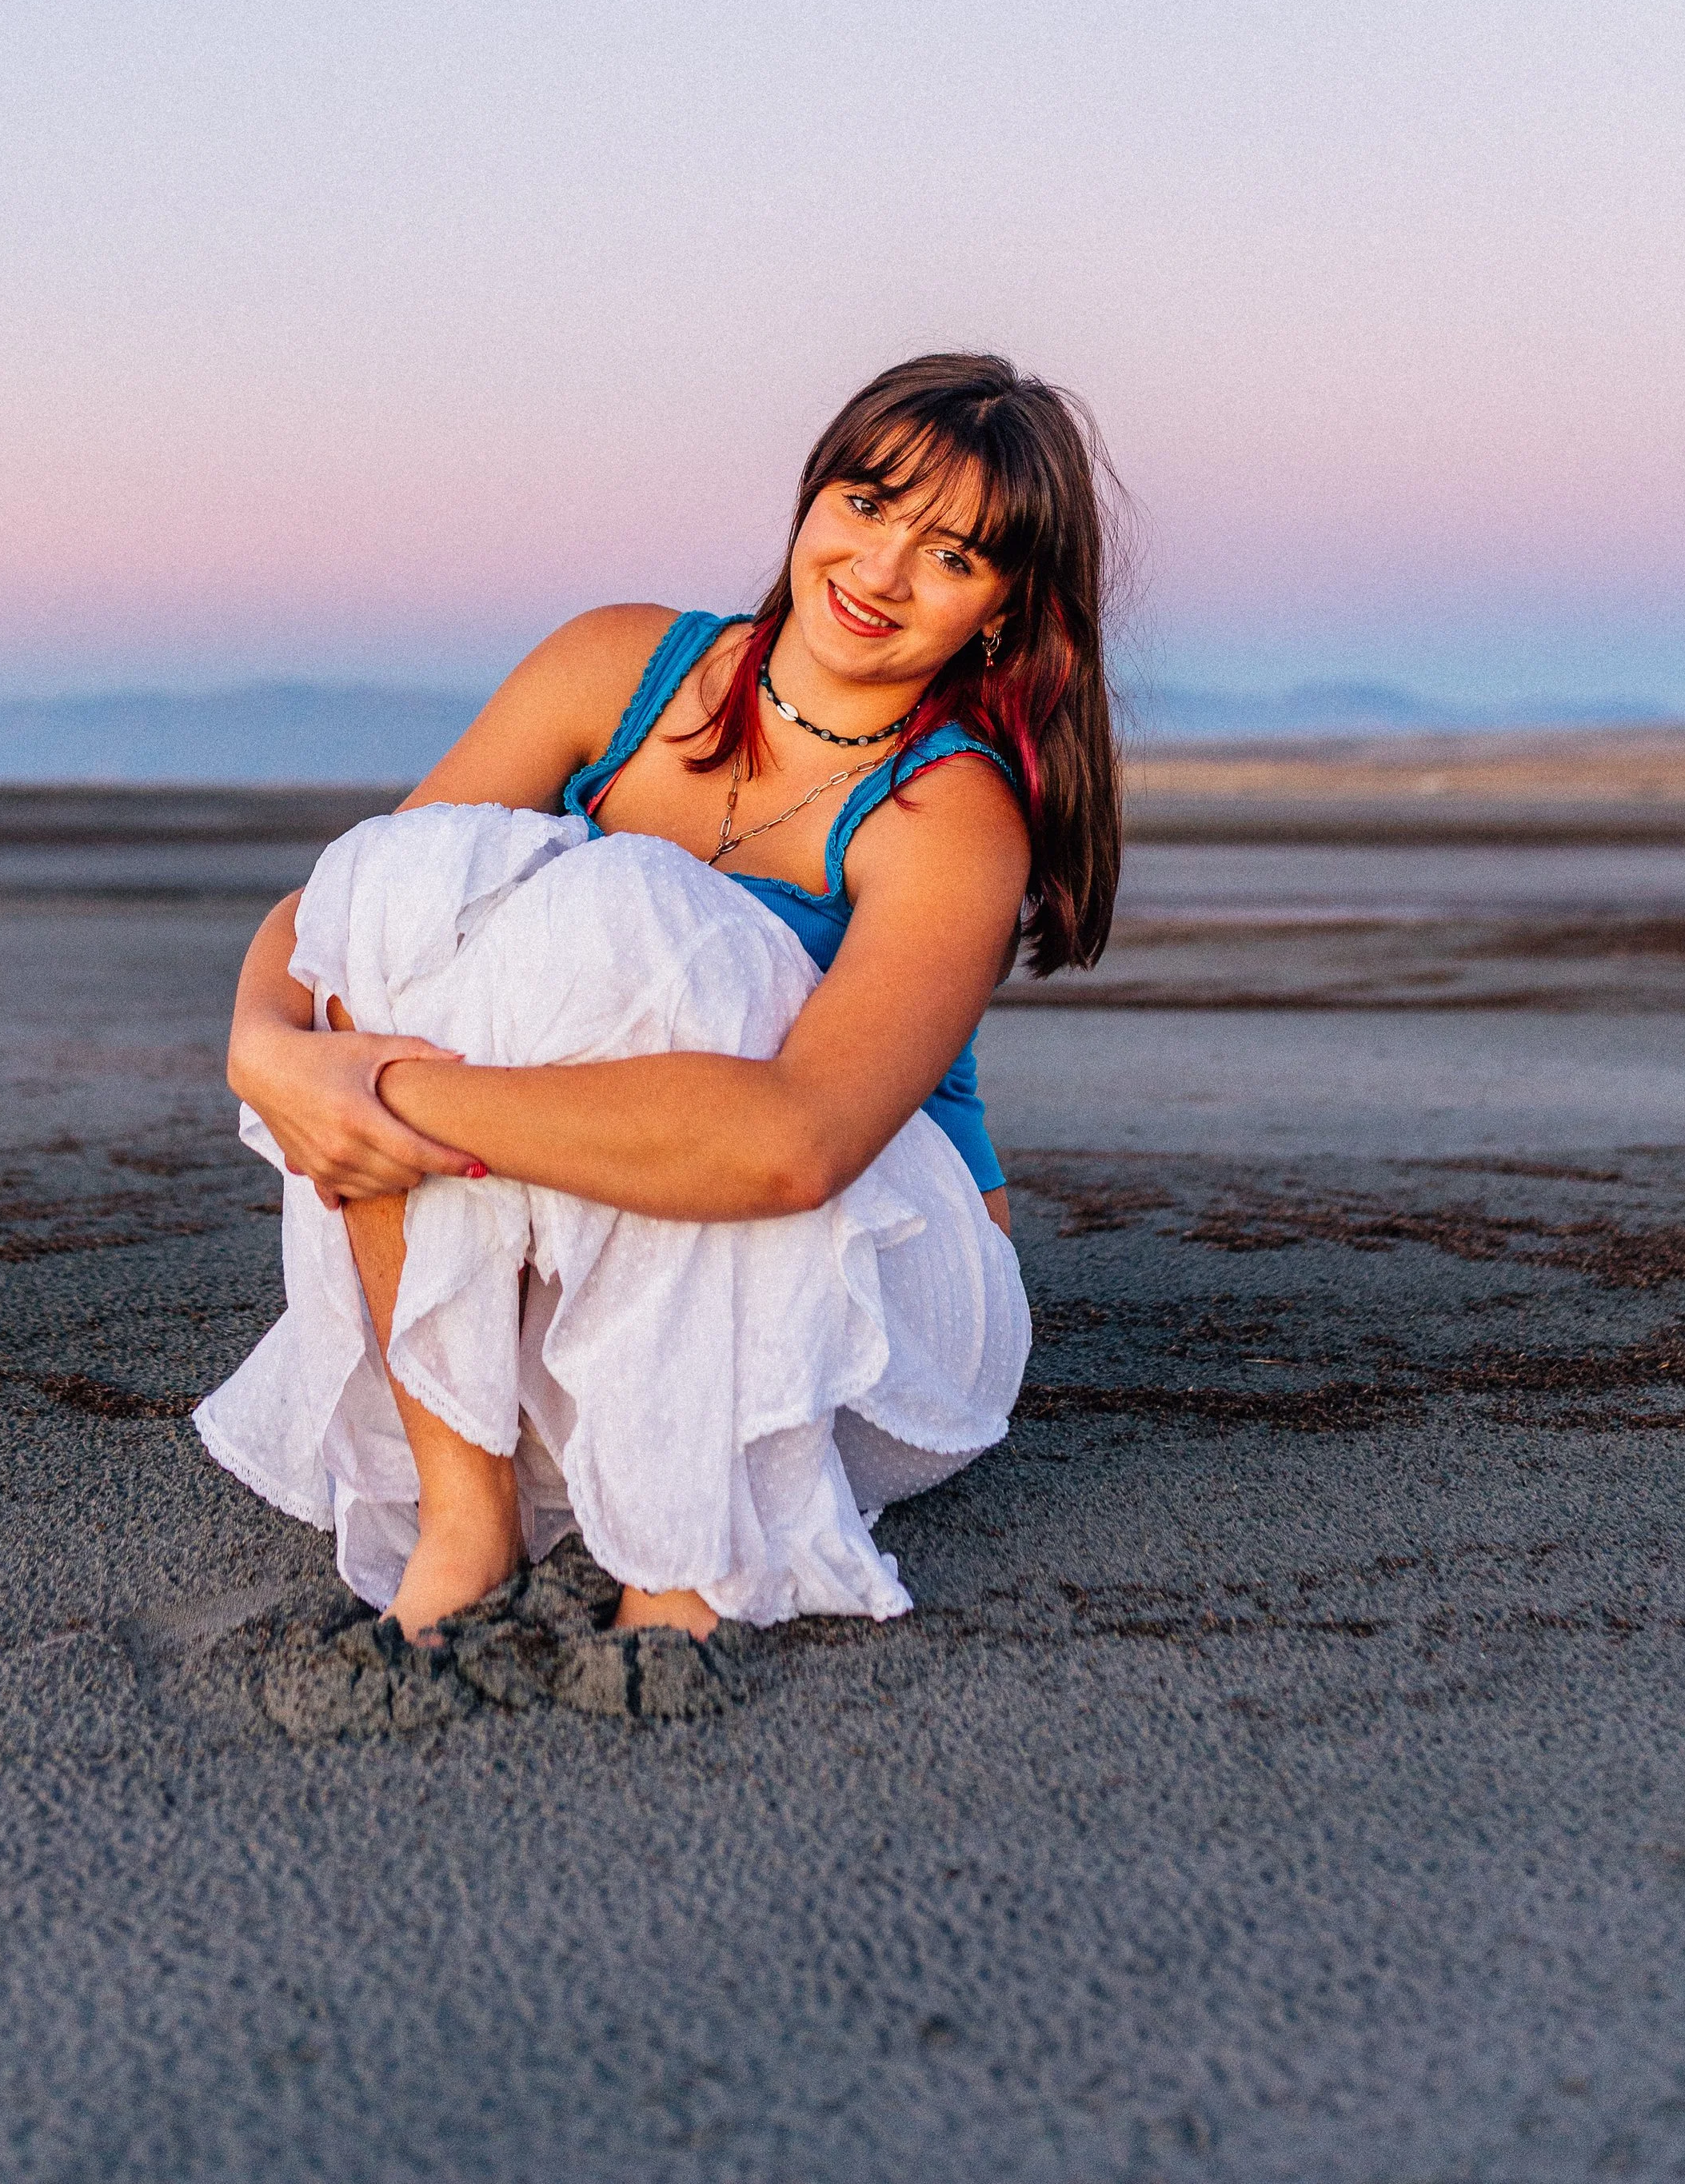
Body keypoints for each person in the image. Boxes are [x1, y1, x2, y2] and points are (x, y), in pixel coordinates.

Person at [206, 351, 1121, 1648]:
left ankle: (677, 1564)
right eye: (867, 504)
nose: (882, 570)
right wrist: (265, 1052)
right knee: (424, 881)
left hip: (868, 1299)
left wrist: (389, 1094)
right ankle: (467, 1520)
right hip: (589, 1215)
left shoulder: (951, 813)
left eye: (955, 554)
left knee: (629, 906)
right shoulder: (616, 664)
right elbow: (355, 908)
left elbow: (794, 1147)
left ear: (999, 614)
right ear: (813, 498)